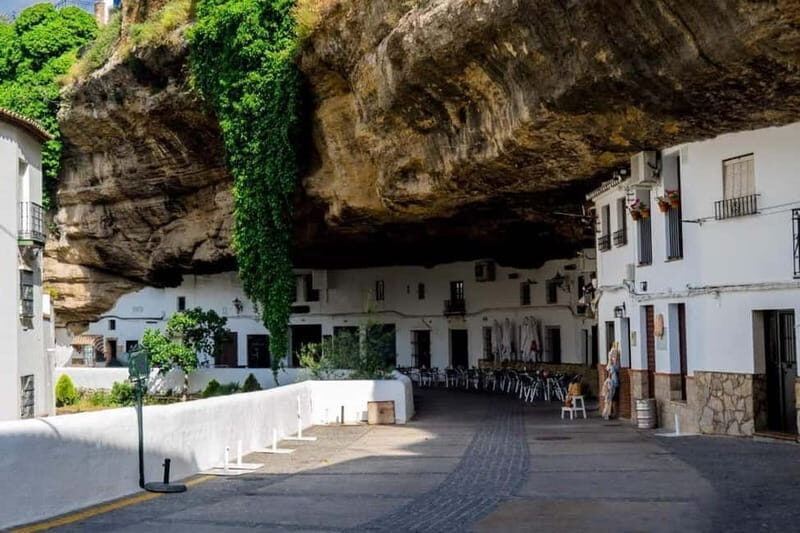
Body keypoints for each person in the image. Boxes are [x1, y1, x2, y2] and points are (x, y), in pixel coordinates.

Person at [601, 342, 620, 420]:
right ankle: (608, 413)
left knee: (610, 399)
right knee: (609, 399)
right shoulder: (612, 366)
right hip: (611, 383)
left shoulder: (612, 366)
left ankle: (609, 413)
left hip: (612, 383)